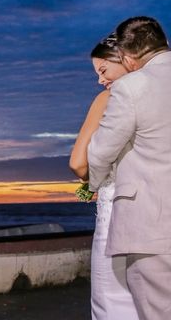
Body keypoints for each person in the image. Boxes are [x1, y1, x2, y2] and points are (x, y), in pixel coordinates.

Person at [87, 16, 171, 320]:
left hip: (153, 227)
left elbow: (99, 152)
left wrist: (95, 184)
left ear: (127, 56)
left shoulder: (133, 87)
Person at [69, 34, 139, 320]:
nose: (100, 80)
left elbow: (78, 162)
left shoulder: (109, 98)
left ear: (124, 59)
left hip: (118, 215)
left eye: (103, 70)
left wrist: (90, 182)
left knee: (112, 300)